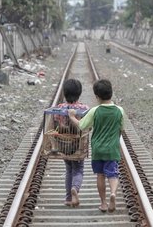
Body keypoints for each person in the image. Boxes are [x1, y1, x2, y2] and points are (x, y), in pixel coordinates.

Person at [68, 79, 126, 213]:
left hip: (98, 149)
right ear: (111, 93)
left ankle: (104, 203)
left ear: (97, 96)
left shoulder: (95, 111)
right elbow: (121, 129)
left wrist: (72, 117)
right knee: (113, 174)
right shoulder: (119, 111)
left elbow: (82, 126)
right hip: (112, 149)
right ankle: (113, 193)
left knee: (100, 175)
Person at [54, 79, 89, 207]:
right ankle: (75, 188)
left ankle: (68, 198)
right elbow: (88, 125)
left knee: (69, 169)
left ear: (64, 93)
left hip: (64, 145)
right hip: (78, 146)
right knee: (78, 169)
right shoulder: (84, 109)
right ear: (79, 93)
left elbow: (55, 123)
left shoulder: (59, 108)